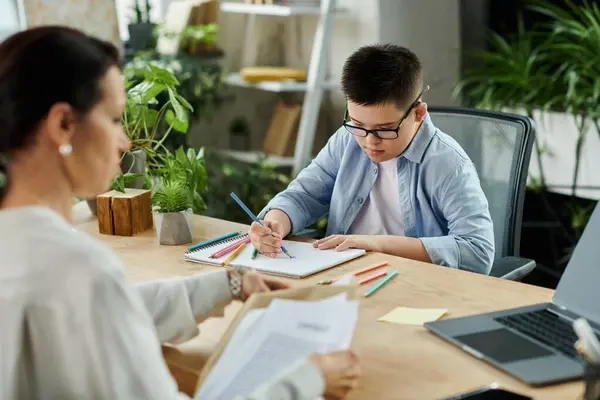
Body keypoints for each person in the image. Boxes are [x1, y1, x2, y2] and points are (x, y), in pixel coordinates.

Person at [0, 26, 360, 399]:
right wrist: (306, 381)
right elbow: (94, 304)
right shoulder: (80, 271)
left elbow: (105, 318)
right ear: (63, 125)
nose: (124, 141)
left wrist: (224, 285)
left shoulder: (22, 248)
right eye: (112, 120)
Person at [250, 44, 495, 275]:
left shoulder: (447, 164)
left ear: (418, 113)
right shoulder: (346, 140)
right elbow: (304, 195)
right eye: (358, 125)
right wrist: (276, 222)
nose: (369, 141)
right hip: (344, 274)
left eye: (385, 129)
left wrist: (372, 244)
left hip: (415, 282)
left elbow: (477, 251)